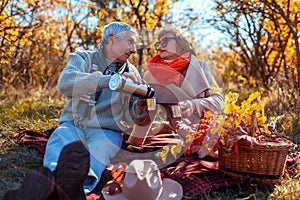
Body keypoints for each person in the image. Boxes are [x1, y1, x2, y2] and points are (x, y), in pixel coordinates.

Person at [5, 21, 150, 200]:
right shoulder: (83, 58)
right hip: (75, 124)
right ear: (111, 39)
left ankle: (77, 187)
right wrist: (108, 80)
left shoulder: (133, 72)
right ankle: (50, 181)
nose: (134, 49)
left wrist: (140, 108)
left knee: (101, 147)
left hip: (107, 131)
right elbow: (65, 83)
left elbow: (131, 115)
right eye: (130, 42)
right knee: (61, 137)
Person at [128, 27, 224, 153]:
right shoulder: (150, 74)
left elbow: (219, 101)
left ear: (180, 43)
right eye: (159, 43)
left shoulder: (200, 66)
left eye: (166, 40)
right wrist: (136, 140)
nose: (160, 46)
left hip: (206, 134)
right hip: (181, 139)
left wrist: (194, 105)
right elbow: (148, 109)